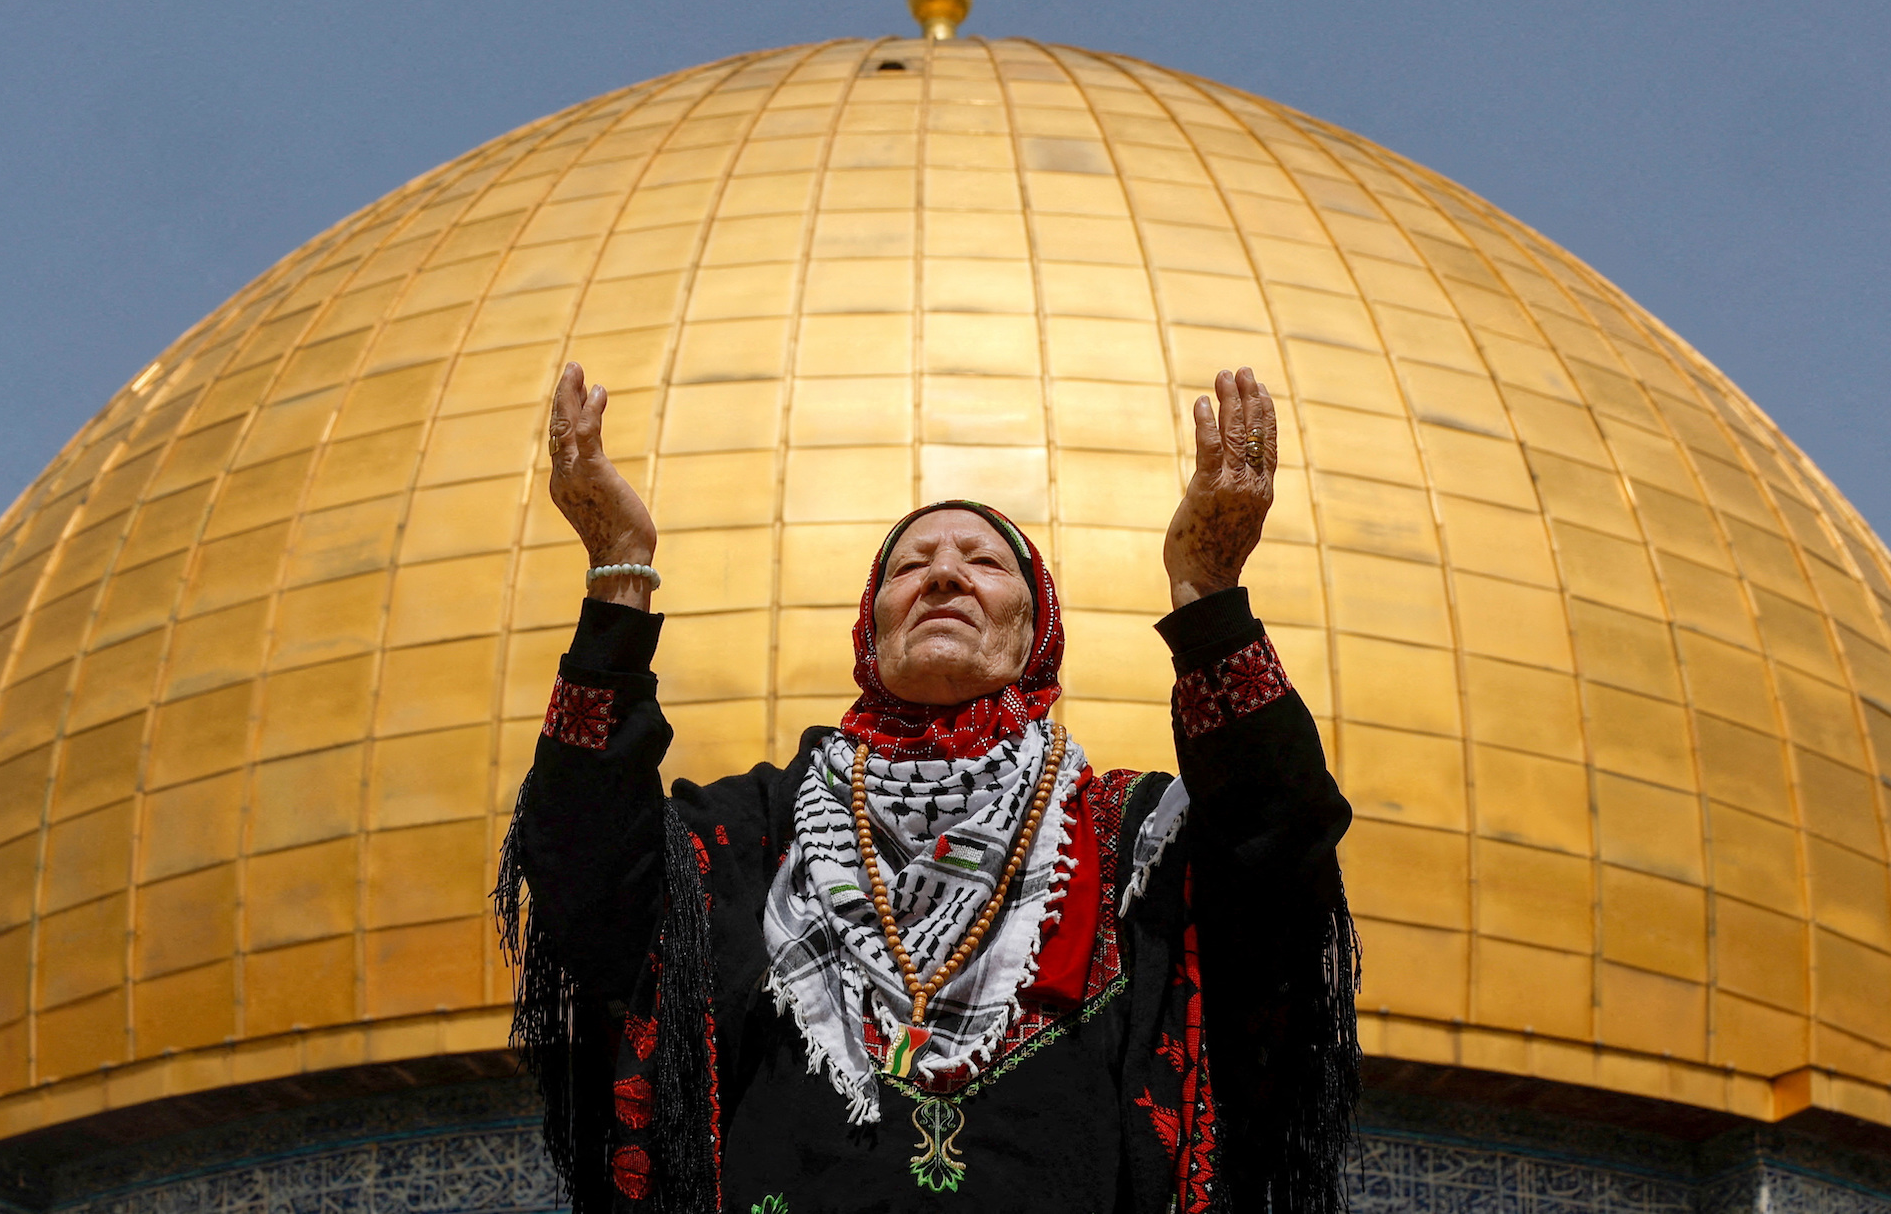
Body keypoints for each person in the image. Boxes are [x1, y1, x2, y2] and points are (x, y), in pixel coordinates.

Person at [498, 361, 1356, 1214]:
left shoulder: (1128, 841)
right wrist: (619, 573)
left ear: (1035, 632)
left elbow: (1281, 848)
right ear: (872, 628)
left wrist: (1209, 594)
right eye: (913, 567)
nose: (945, 576)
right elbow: (581, 857)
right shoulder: (753, 837)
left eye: (984, 562)